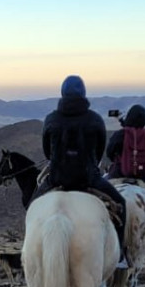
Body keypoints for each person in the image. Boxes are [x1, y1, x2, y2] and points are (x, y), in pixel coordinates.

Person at [31, 75, 130, 268]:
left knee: (32, 207)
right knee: (121, 203)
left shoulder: (51, 118)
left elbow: (47, 151)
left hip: (57, 179)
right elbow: (100, 150)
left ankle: (29, 253)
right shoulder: (94, 119)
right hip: (89, 179)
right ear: (83, 93)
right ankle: (120, 255)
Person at [106, 104, 145, 237]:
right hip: (143, 177)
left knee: (98, 192)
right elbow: (136, 137)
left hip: (118, 173)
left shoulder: (120, 135)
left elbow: (110, 152)